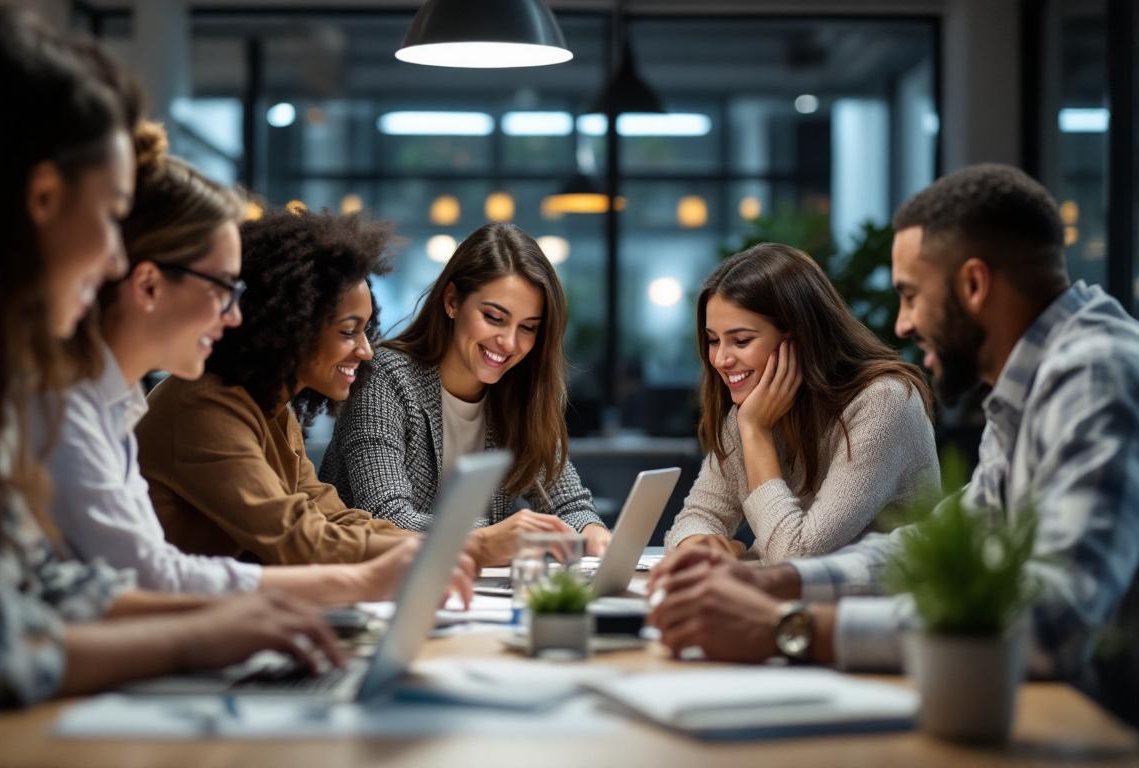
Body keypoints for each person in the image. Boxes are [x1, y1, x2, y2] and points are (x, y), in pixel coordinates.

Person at [0, 10, 338, 760]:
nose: (118, 258)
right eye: (114, 216)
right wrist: (190, 640)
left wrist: (236, 620)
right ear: (41, 198)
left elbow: (46, 586)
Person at [648, 164, 1139, 725]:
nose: (901, 324)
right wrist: (775, 580)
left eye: (910, 295)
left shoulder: (1095, 374)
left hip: (1097, 728)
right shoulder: (1027, 388)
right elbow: (942, 547)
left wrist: (789, 626)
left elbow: (1054, 622)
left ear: (974, 285)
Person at [45, 124, 460, 603]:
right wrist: (455, 549)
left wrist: (443, 549)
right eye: (222, 288)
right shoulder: (197, 404)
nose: (236, 314)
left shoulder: (254, 406)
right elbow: (294, 541)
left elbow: (324, 516)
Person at [135, 208, 418, 566]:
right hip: (180, 614)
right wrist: (451, 549)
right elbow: (299, 539)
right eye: (349, 331)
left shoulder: (272, 406)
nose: (365, 350)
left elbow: (333, 517)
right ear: (292, 326)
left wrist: (455, 545)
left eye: (365, 330)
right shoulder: (204, 406)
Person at [321, 222, 611, 567]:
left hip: (464, 593)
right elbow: (385, 517)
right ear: (452, 301)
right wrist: (498, 536)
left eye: (528, 327)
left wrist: (593, 532)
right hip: (365, 586)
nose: (509, 343)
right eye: (494, 317)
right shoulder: (385, 378)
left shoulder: (519, 393)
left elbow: (568, 504)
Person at [666, 243, 938, 563]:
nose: (721, 359)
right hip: (787, 602)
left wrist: (755, 432)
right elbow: (697, 515)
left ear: (798, 338)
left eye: (741, 341)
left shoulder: (884, 403)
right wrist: (701, 544)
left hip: (873, 608)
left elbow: (797, 556)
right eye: (713, 340)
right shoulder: (752, 408)